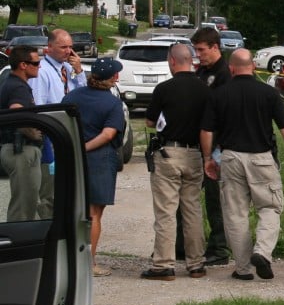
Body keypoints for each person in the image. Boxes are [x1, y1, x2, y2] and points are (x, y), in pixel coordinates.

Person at [200, 49, 284, 280]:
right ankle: (263, 252)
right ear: (254, 67)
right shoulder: (268, 93)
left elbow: (207, 130)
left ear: (231, 69)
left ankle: (243, 269)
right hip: (261, 158)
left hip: (230, 158)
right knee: (270, 207)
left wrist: (208, 158)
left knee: (235, 214)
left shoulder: (219, 94)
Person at [141, 44, 210, 281]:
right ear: (190, 60)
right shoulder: (204, 89)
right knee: (192, 209)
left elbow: (150, 121)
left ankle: (163, 264)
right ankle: (197, 263)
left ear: (172, 61)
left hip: (169, 152)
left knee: (166, 211)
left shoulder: (164, 88)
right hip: (195, 154)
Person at [62, 57, 126, 277]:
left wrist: (75, 147)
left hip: (71, 158)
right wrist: (85, 147)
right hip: (99, 159)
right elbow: (108, 134)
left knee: (73, 209)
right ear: (114, 77)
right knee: (94, 213)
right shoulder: (112, 103)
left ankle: (68, 258)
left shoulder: (71, 97)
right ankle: (89, 263)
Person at [30, 28, 86, 218]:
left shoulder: (69, 68)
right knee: (50, 192)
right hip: (51, 137)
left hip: (69, 135)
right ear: (49, 48)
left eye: (71, 47)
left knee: (68, 189)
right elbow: (38, 107)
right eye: (63, 47)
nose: (68, 52)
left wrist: (79, 71)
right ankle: (48, 232)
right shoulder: (43, 71)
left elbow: (84, 96)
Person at [188, 26, 232, 266]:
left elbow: (223, 112)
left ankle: (219, 248)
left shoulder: (224, 74)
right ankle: (187, 245)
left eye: (201, 50)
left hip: (217, 146)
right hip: (201, 143)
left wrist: (217, 150)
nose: (198, 55)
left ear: (215, 47)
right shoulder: (202, 72)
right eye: (195, 50)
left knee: (216, 200)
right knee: (192, 198)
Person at [1, 46, 44, 222]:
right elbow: (16, 114)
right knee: (23, 207)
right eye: (36, 63)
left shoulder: (11, 83)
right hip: (20, 150)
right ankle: (17, 247)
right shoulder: (18, 87)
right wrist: (35, 133)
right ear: (23, 65)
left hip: (18, 149)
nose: (39, 66)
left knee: (29, 203)